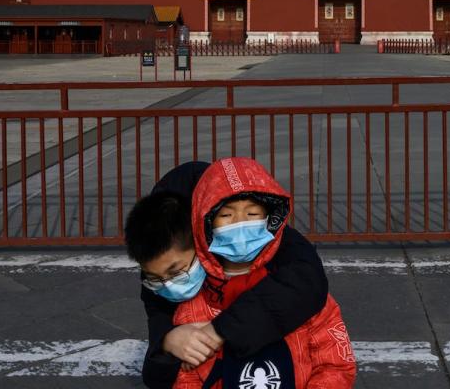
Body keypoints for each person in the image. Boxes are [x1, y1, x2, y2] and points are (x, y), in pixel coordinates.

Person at [125, 161, 329, 389]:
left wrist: (218, 331)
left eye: (177, 271)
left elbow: (307, 280)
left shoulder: (266, 239)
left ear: (202, 235)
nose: (169, 285)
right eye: (155, 278)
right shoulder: (158, 246)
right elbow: (159, 328)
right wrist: (167, 341)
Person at [173, 157, 356, 389]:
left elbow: (336, 363)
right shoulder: (195, 304)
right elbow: (187, 377)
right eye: (226, 215)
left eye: (252, 215)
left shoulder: (299, 292)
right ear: (206, 222)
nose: (240, 223)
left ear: (270, 219)